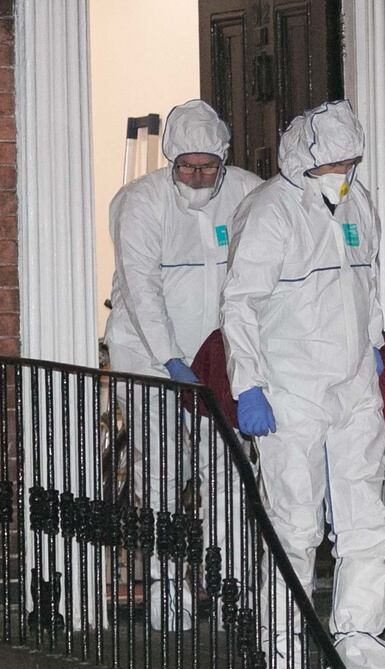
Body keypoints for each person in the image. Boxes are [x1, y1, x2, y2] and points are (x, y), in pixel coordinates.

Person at [220, 100, 385, 669]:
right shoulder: (271, 212)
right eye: (332, 164)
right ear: (303, 160)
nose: (343, 174)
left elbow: (368, 277)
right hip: (291, 387)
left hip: (353, 381)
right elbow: (241, 304)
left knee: (367, 520)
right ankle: (281, 646)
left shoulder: (357, 201)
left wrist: (375, 340)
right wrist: (248, 385)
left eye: (351, 162)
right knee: (294, 523)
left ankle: (358, 636)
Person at [104, 99, 262, 631]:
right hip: (150, 357)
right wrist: (171, 359)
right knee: (161, 474)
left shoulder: (248, 192)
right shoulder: (141, 202)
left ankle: (226, 588)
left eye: (207, 167)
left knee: (227, 475)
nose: (197, 177)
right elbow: (141, 287)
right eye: (186, 167)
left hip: (221, 359)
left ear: (223, 159)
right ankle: (166, 587)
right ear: (171, 161)